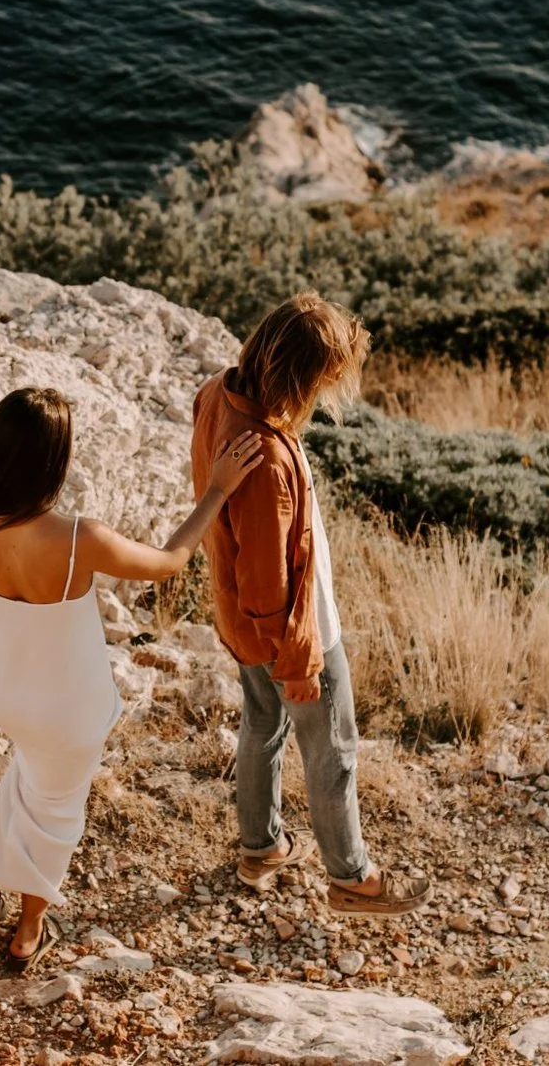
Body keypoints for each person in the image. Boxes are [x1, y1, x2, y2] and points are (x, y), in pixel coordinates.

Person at [0, 386, 265, 973]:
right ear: (53, 462)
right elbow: (168, 563)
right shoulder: (75, 537)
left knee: (28, 775)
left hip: (1, 687)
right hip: (66, 708)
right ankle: (28, 932)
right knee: (57, 808)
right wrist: (218, 488)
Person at [193, 293, 429, 915]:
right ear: (300, 376)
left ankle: (260, 846)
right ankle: (351, 877)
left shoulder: (218, 393)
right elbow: (270, 585)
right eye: (324, 379)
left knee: (261, 725)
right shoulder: (267, 459)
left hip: (238, 621)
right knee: (333, 749)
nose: (327, 393)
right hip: (296, 632)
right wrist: (298, 661)